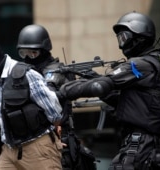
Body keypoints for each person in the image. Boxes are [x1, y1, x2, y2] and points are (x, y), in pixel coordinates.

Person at [58, 12, 160, 170]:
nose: (121, 44)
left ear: (139, 37)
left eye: (124, 37)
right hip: (153, 145)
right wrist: (94, 77)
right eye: (119, 38)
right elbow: (128, 101)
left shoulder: (139, 65)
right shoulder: (154, 63)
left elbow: (99, 86)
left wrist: (61, 91)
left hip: (141, 145)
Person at [0, 34, 63, 170]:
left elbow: (53, 110)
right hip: (9, 150)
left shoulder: (25, 74)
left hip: (37, 148)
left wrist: (53, 134)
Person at [16, 24, 97, 170]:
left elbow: (52, 101)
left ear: (44, 50)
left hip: (60, 140)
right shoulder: (25, 74)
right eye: (24, 53)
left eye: (33, 53)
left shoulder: (57, 72)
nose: (28, 58)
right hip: (34, 143)